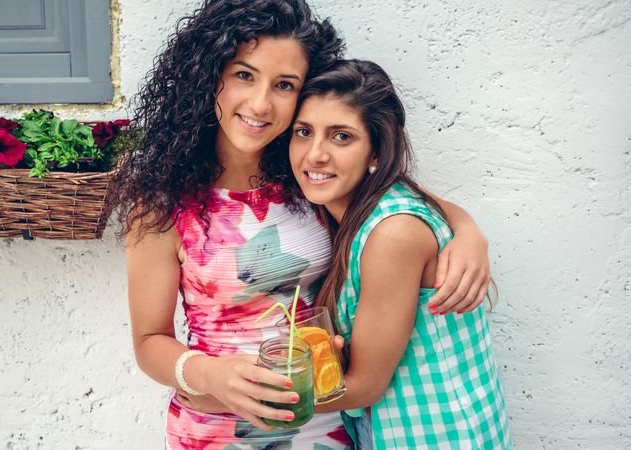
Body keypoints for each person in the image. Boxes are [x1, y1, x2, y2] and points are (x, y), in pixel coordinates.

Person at [107, 1, 491, 448]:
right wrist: (213, 376)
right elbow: (150, 341)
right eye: (244, 75)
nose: (260, 103)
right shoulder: (162, 203)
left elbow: (402, 202)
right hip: (216, 426)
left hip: (324, 420)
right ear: (210, 76)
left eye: (284, 85)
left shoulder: (307, 175)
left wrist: (467, 232)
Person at [290, 59, 512, 449]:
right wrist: (467, 227)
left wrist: (222, 396)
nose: (315, 155)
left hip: (434, 438)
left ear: (376, 152)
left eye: (341, 137)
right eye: (304, 132)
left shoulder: (393, 233)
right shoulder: (362, 210)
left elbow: (366, 386)